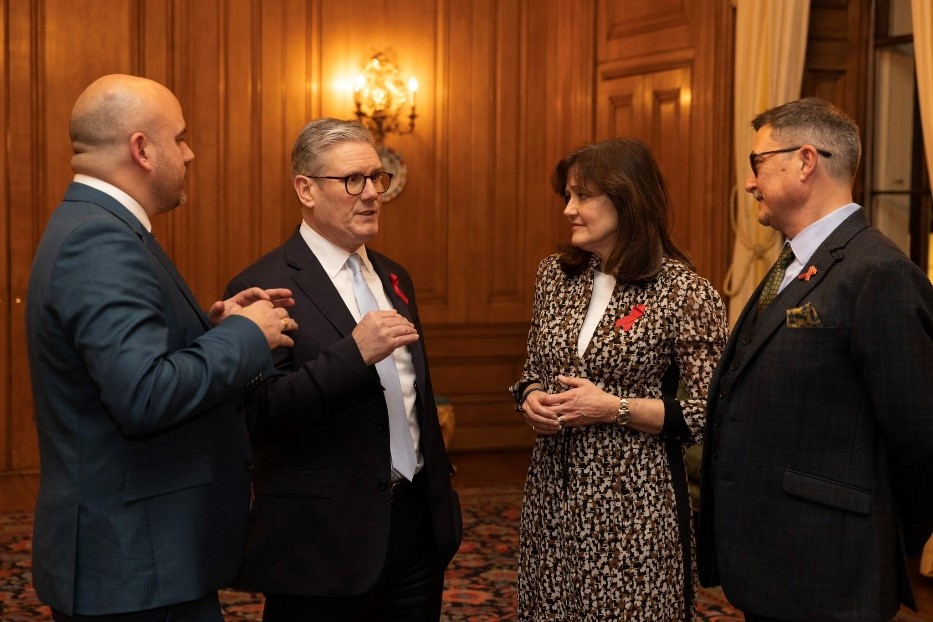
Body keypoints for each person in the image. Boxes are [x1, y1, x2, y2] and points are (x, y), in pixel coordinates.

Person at [25, 74, 297, 621]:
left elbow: (130, 362)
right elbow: (144, 394)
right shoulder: (99, 240)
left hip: (141, 559)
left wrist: (217, 329)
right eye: (181, 137)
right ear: (142, 149)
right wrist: (248, 335)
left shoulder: (97, 226)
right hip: (134, 567)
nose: (190, 153)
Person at [697, 97, 933, 622]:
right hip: (775, 566)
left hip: (831, 574)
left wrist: (879, 542)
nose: (751, 182)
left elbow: (921, 439)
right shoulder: (794, 262)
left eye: (757, 163)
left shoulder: (878, 274)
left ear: (805, 161)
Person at [225, 118, 462, 621]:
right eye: (352, 180)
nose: (372, 193)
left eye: (377, 178)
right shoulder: (262, 284)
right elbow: (261, 415)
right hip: (321, 546)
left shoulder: (396, 277)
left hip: (415, 529)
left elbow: (414, 396)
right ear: (305, 189)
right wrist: (353, 353)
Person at [511, 137, 727, 621]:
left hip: (635, 507)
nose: (569, 209)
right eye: (567, 196)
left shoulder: (684, 293)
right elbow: (530, 373)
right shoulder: (555, 276)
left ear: (628, 198)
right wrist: (529, 398)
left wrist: (613, 408)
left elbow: (718, 412)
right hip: (552, 494)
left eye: (583, 196)